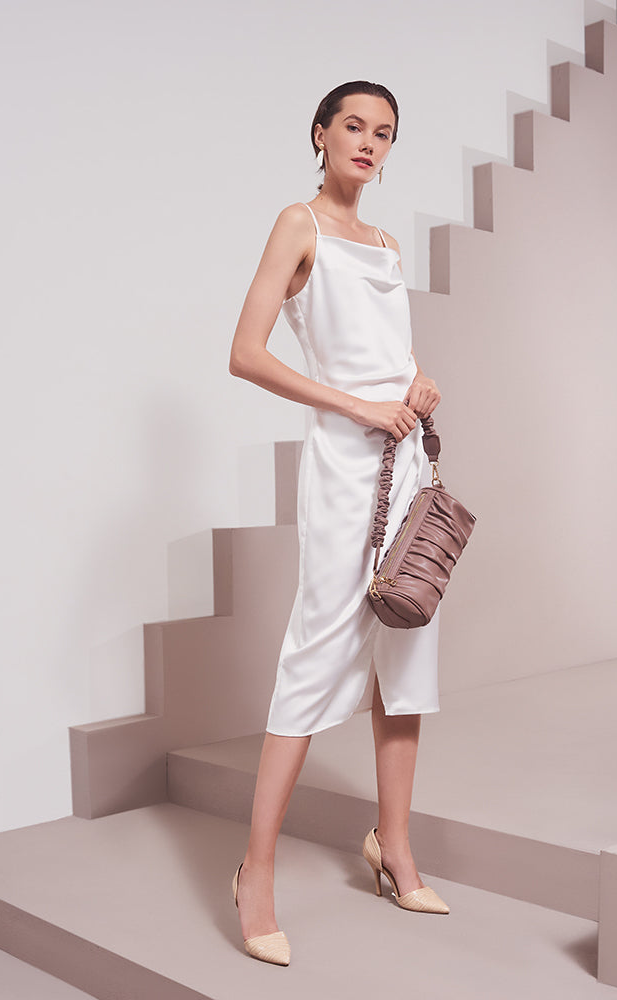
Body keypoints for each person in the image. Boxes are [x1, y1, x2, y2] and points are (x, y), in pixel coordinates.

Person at [227, 80, 448, 967]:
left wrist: (417, 384)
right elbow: (246, 353)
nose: (368, 142)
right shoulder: (299, 225)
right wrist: (356, 405)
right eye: (353, 126)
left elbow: (389, 357)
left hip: (407, 467)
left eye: (384, 133)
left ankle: (393, 849)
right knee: (317, 654)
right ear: (320, 135)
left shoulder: (388, 243)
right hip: (343, 469)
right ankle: (257, 871)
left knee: (406, 653)